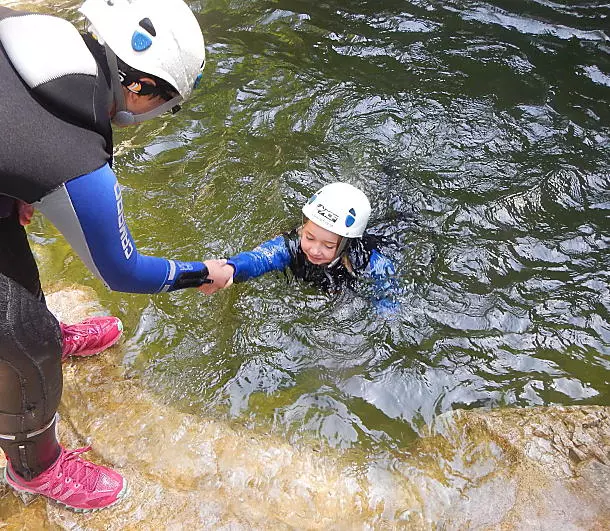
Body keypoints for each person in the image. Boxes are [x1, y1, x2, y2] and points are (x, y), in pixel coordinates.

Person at [0, 0, 226, 512]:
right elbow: (124, 271)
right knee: (23, 338)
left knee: (14, 254)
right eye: (167, 104)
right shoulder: (76, 157)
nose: (157, 117)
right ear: (143, 87)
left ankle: (50, 334)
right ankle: (34, 469)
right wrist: (201, 273)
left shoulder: (38, 27)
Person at [209, 183, 400, 313]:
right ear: (303, 227)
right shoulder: (291, 245)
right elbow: (260, 258)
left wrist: (386, 312)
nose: (315, 250)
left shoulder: (369, 259)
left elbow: (389, 294)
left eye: (328, 245)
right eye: (309, 237)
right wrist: (231, 268)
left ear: (345, 245)